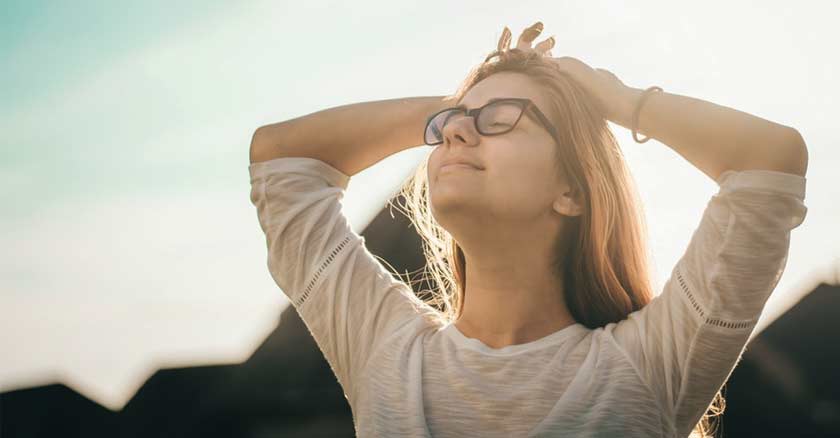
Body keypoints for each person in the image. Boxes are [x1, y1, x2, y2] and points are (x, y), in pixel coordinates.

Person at [248, 21, 808, 438]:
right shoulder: (384, 349)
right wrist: (462, 100)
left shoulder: (649, 364)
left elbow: (770, 161)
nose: (458, 135)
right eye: (448, 128)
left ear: (572, 191)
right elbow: (280, 156)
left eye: (499, 120)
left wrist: (618, 101)